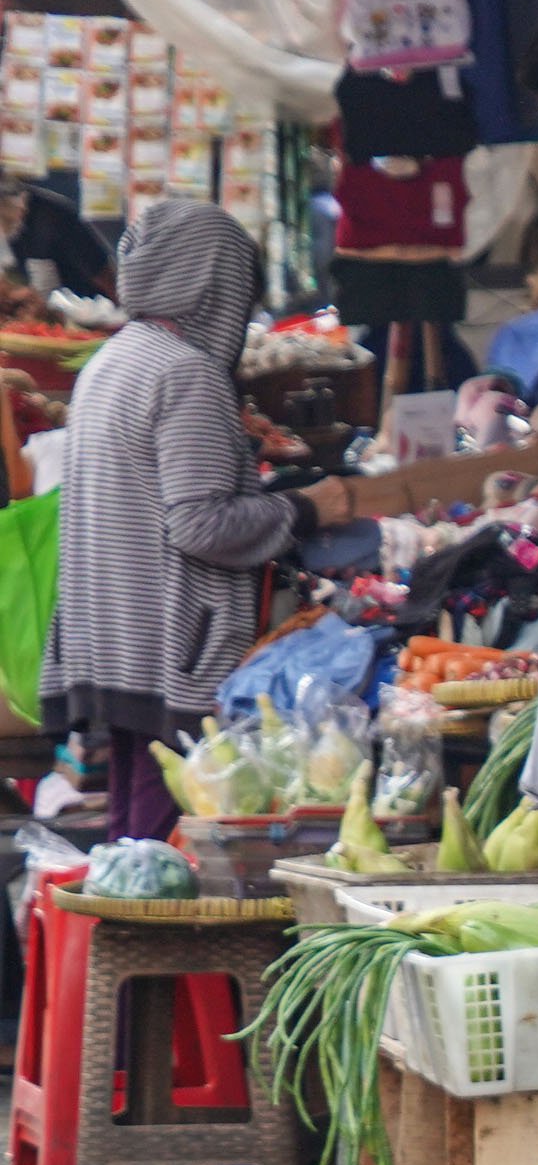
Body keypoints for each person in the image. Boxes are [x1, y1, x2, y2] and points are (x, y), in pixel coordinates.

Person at [39, 199, 382, 841]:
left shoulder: (112, 362)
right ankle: (146, 944)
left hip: (111, 636)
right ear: (210, 283)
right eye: (240, 289)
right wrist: (311, 507)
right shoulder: (185, 373)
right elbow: (199, 526)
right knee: (165, 844)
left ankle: (113, 941)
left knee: (130, 839)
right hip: (169, 645)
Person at [0, 176, 118, 301]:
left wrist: (128, 313)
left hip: (88, 307)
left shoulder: (53, 217)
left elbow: (103, 273)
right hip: (40, 308)